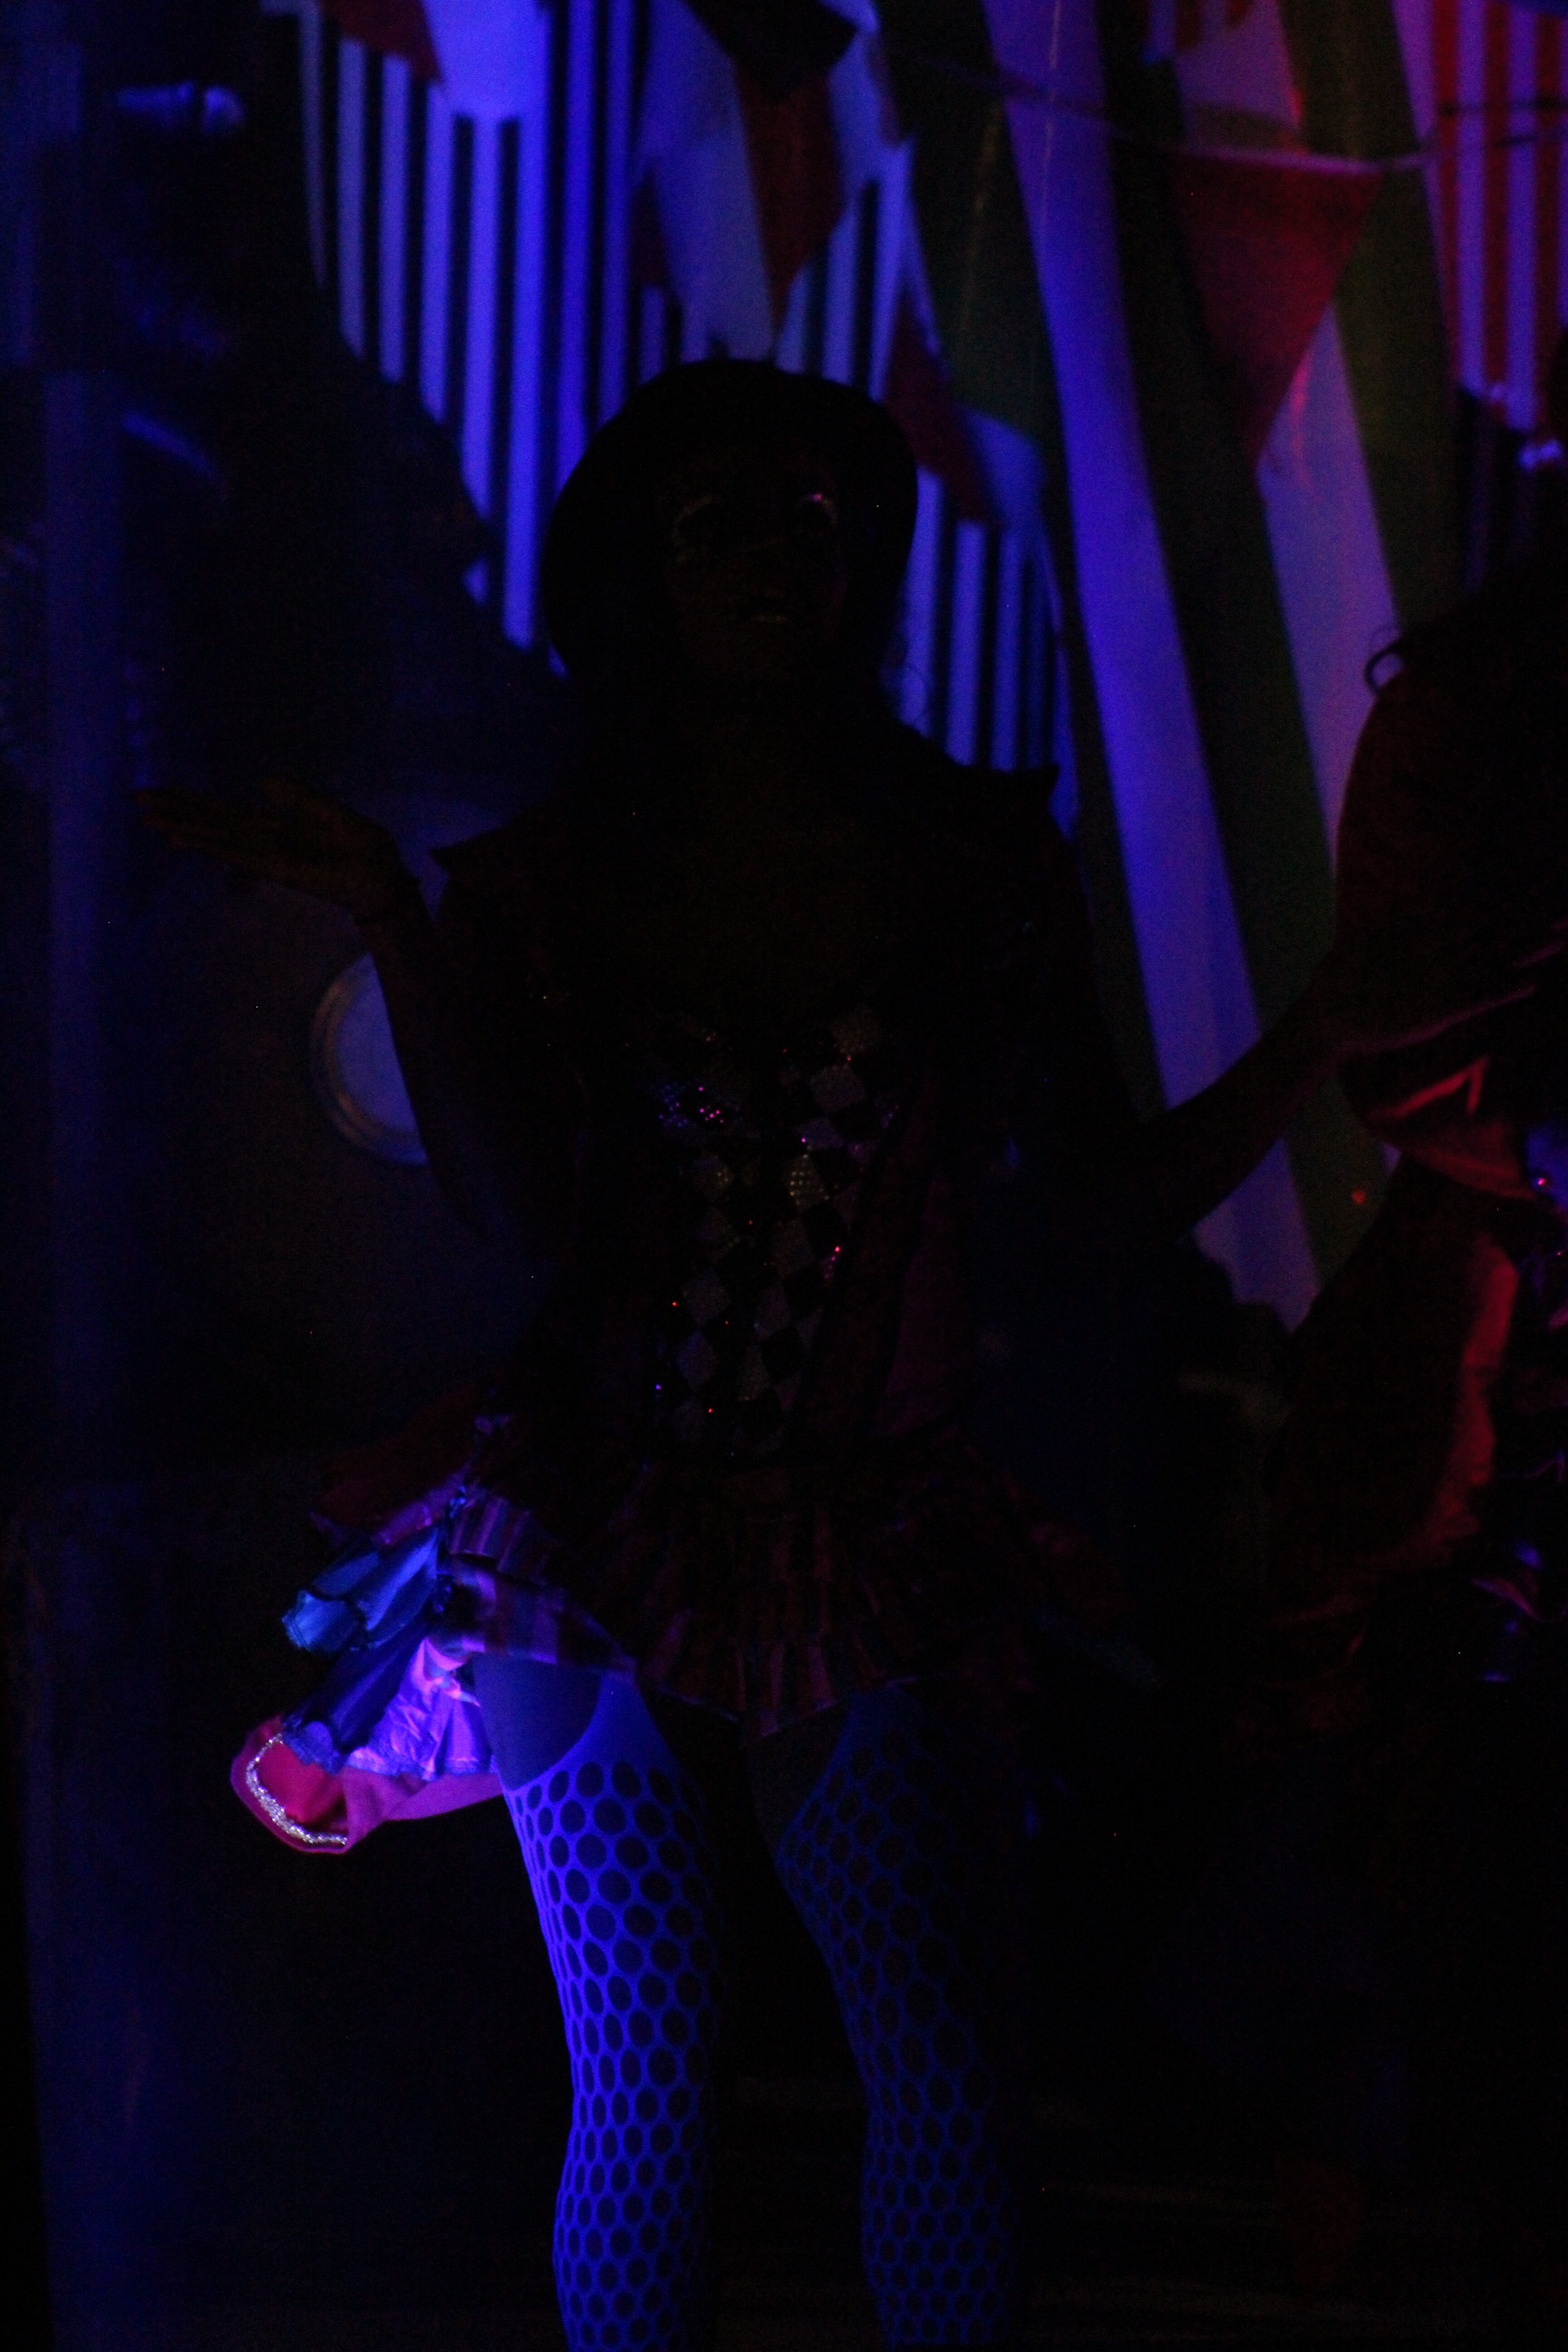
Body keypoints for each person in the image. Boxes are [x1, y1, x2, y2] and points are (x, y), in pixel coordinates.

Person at [140, 361, 1558, 2352]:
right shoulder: (555, 879)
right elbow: (520, 1218)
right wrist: (393, 913)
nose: (772, 559)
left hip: (878, 1528)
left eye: (810, 518)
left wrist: (1318, 1030)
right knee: (644, 2065)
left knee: (947, 2077)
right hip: (595, 1519)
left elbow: (1085, 1211)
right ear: (636, 575)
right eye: (713, 523)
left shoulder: (972, 863)